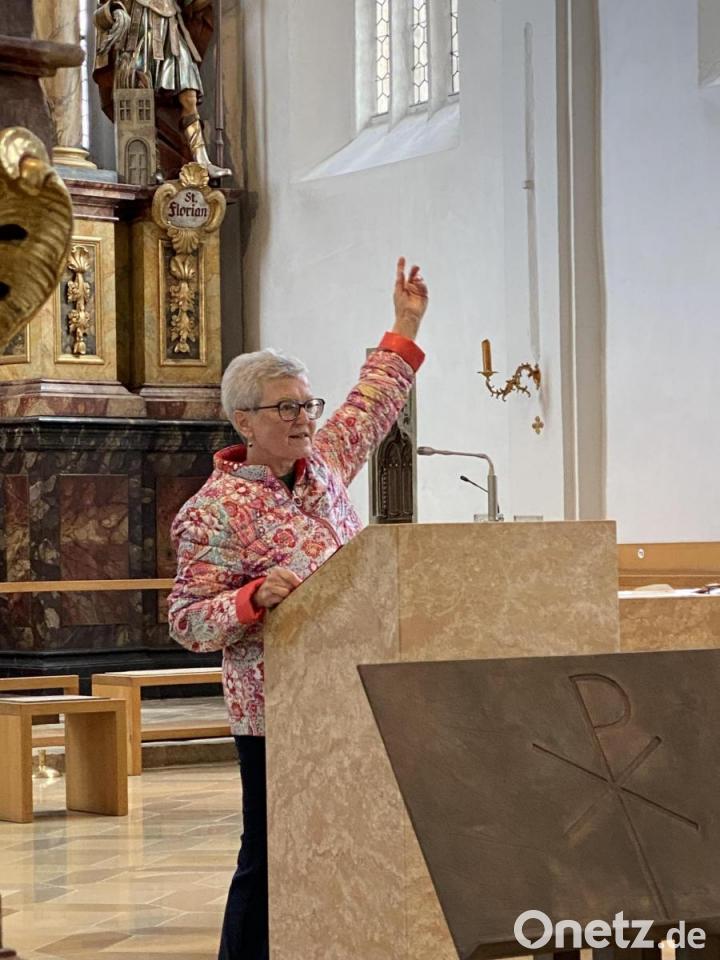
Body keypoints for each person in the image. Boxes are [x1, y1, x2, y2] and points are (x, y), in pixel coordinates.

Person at [168, 257, 428, 960]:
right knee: (271, 853)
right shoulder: (213, 511)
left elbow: (370, 403)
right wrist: (250, 598)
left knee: (354, 841)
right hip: (275, 708)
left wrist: (404, 324)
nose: (304, 419)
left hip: (355, 689)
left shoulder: (326, 466)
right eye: (286, 408)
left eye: (307, 406)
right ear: (244, 421)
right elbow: (188, 620)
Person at [93, 0, 231, 178]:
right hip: (139, 26)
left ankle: (202, 161)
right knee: (143, 98)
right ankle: (153, 167)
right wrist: (116, 10)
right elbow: (104, 7)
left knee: (189, 95)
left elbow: (192, 5)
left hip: (171, 29)